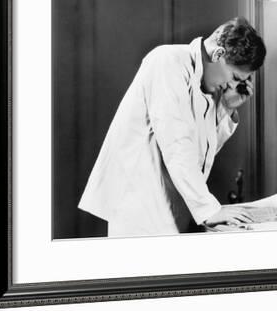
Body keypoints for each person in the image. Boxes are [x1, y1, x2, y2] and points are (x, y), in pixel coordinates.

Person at [78, 17, 267, 237]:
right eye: (235, 77)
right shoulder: (167, 62)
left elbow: (200, 157)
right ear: (218, 54)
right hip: (140, 215)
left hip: (169, 211)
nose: (232, 85)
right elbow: (177, 145)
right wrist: (210, 209)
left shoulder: (205, 89)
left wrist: (224, 107)